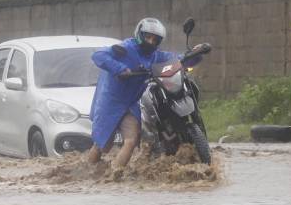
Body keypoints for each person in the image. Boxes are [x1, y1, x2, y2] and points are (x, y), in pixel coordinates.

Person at [87, 18, 204, 170]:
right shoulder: (125, 48)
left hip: (131, 104)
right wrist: (119, 68)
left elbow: (177, 60)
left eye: (155, 39)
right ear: (139, 35)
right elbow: (98, 55)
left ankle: (114, 175)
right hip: (111, 101)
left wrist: (195, 54)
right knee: (103, 145)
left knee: (131, 141)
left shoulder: (156, 56)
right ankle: (88, 171)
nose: (150, 42)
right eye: (148, 37)